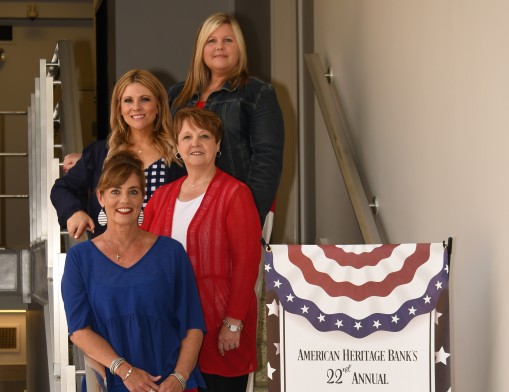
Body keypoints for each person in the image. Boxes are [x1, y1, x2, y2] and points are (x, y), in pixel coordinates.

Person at [61, 150, 206, 392]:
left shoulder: (171, 252)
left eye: (133, 191)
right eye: (115, 191)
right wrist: (125, 371)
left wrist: (179, 377)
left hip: (170, 383)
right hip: (113, 382)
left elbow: (193, 325)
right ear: (101, 197)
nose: (124, 200)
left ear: (142, 198)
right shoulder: (80, 258)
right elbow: (78, 331)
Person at [141, 108, 261, 392]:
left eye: (204, 136)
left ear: (217, 144)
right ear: (178, 147)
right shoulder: (161, 196)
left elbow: (247, 263)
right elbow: (144, 254)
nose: (195, 143)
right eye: (187, 136)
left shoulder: (236, 193)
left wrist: (233, 322)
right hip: (171, 327)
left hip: (219, 324)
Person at [169, 12, 284, 226]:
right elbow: (157, 144)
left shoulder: (257, 93)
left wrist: (249, 214)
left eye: (228, 40)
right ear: (200, 49)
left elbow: (267, 158)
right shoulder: (177, 95)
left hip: (238, 206)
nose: (219, 47)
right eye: (211, 41)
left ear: (239, 47)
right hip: (183, 205)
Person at [51, 69, 186, 239]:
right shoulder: (100, 153)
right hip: (110, 256)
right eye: (128, 101)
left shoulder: (179, 154)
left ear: (158, 106)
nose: (136, 107)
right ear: (119, 108)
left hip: (161, 253)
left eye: (145, 99)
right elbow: (62, 188)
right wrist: (74, 212)